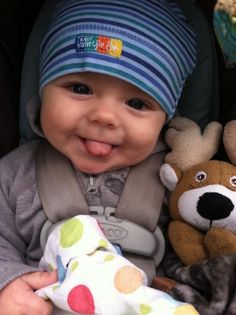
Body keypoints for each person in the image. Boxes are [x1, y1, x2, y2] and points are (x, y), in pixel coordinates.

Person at [0, 0, 197, 314]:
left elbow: (201, 249)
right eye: (80, 88)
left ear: (166, 119)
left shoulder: (176, 179)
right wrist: (8, 281)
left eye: (137, 103)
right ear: (42, 90)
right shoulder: (13, 175)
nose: (105, 116)